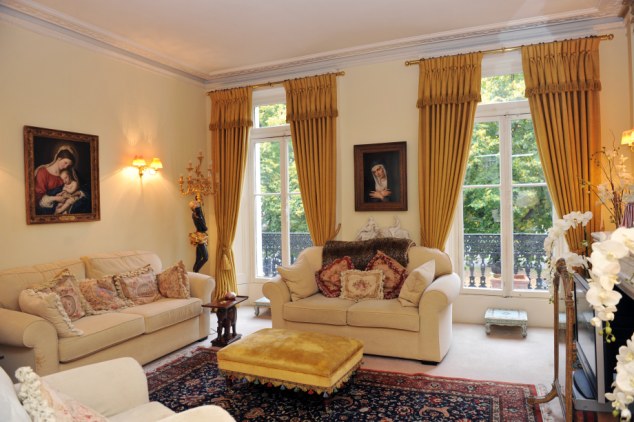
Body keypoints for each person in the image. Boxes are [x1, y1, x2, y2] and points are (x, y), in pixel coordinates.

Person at [34, 145, 77, 214]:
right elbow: (39, 197)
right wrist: (56, 198)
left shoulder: (64, 175)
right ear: (59, 158)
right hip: (46, 207)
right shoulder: (42, 172)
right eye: (65, 163)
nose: (66, 166)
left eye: (68, 165)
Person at [189, 194, 209, 272]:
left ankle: (195, 272)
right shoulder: (198, 214)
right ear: (194, 207)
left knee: (198, 258)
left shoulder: (196, 213)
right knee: (205, 257)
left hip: (199, 235)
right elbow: (204, 227)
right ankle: (195, 271)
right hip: (200, 237)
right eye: (196, 203)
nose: (198, 203)